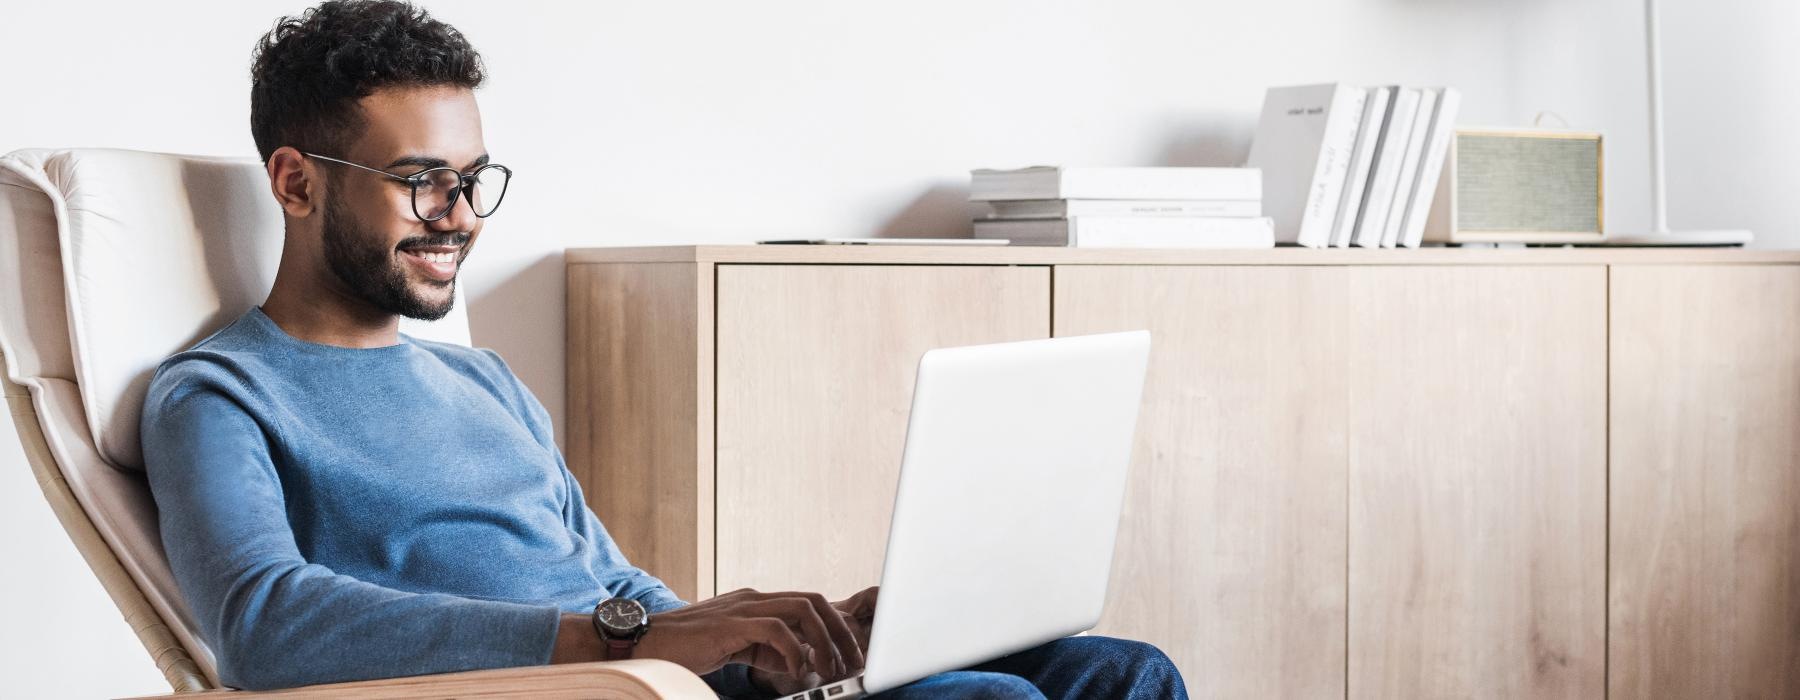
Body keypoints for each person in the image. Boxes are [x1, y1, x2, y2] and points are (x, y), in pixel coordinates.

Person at [138, 2, 1188, 698]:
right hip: (578, 688)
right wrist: (624, 641)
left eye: (474, 178)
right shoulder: (220, 394)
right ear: (296, 182)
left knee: (1124, 673)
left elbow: (607, 575)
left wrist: (781, 638)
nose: (460, 215)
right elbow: (266, 622)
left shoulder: (480, 378)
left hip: (648, 677)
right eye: (422, 178)